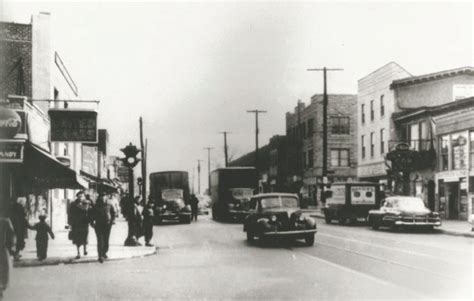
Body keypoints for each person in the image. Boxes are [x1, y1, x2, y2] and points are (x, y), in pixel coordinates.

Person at [90, 193, 116, 263]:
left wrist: (113, 220)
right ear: (99, 198)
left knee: (106, 240)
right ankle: (100, 255)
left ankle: (104, 252)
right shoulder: (96, 205)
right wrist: (92, 222)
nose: (103, 198)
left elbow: (113, 213)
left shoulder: (109, 204)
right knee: (100, 240)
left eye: (104, 197)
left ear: (106, 197)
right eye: (102, 197)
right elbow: (92, 214)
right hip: (98, 224)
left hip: (107, 224)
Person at [69, 191, 92, 259]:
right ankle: (78, 252)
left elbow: (91, 211)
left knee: (85, 236)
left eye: (82, 196)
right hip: (76, 223)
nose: (81, 197)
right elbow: (70, 213)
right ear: (77, 196)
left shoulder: (87, 203)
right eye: (79, 196)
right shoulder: (73, 204)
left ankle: (85, 249)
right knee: (77, 238)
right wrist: (70, 222)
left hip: (85, 223)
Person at [0, 208, 15, 298]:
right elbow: (11, 235)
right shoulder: (5, 221)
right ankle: (1, 286)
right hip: (2, 248)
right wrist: (12, 247)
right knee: (4, 267)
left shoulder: (5, 222)